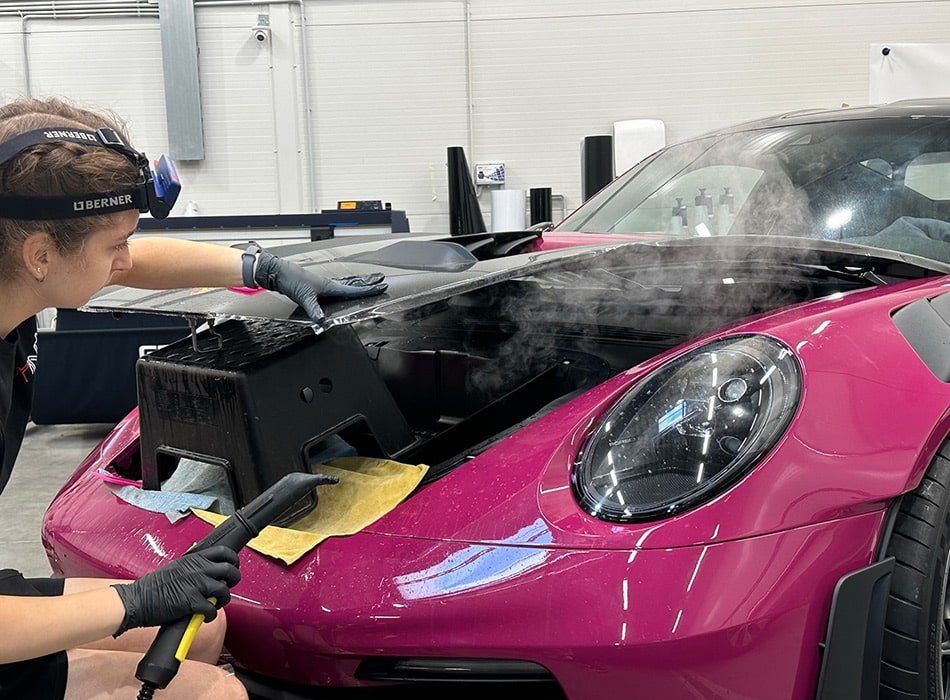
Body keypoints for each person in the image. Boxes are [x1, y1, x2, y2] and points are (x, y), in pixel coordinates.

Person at [0, 97, 387, 699]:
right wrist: (135, 598)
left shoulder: (18, 274)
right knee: (213, 692)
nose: (125, 260)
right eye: (116, 243)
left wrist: (264, 269)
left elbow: (133, 261)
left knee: (202, 629)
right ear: (41, 255)